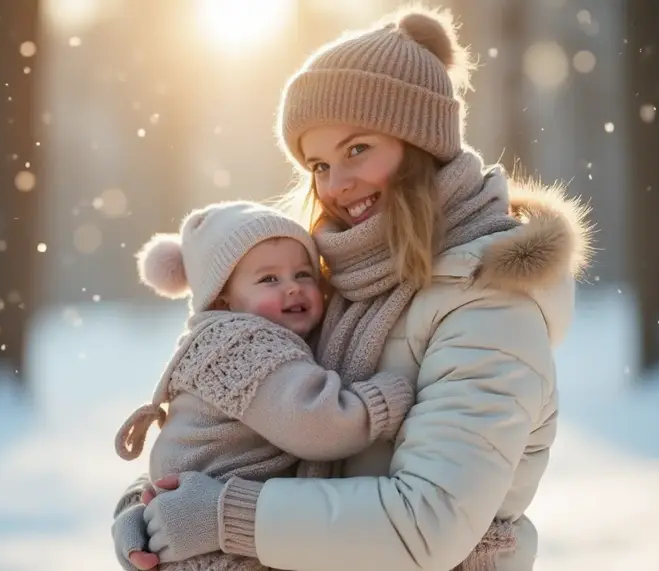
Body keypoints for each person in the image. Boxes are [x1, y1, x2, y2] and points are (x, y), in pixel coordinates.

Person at [114, 5, 592, 571]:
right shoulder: (333, 277)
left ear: (421, 145)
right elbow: (235, 431)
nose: (336, 185)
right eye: (317, 164)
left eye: (358, 149)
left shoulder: (488, 304)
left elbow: (427, 524)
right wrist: (151, 511)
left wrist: (222, 517)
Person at [112, 201, 417, 571]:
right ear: (223, 298)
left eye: (303, 274)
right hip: (216, 546)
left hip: (199, 531)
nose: (292, 288)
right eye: (269, 279)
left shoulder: (220, 340)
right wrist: (387, 398)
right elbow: (317, 426)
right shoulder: (242, 344)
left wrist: (137, 511)